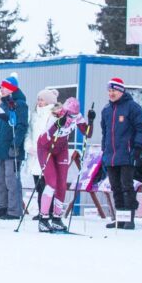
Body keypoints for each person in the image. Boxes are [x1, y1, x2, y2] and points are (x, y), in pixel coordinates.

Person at [36, 97, 91, 232]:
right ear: (64, 110)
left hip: (61, 149)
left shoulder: (77, 116)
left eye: (74, 114)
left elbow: (87, 133)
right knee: (52, 182)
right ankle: (43, 219)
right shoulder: (56, 115)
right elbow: (49, 134)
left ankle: (56, 218)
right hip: (46, 147)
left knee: (61, 183)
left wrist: (91, 121)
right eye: (69, 114)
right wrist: (57, 124)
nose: (71, 117)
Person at [99, 77, 142, 230]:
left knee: (127, 186)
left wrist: (138, 147)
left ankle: (129, 219)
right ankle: (119, 218)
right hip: (111, 155)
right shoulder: (106, 110)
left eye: (114, 90)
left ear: (121, 91)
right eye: (109, 90)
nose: (111, 93)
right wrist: (104, 150)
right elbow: (105, 132)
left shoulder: (132, 107)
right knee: (115, 187)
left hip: (127, 154)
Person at [0, 74, 29, 220]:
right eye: (2, 87)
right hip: (1, 147)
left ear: (12, 89)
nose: (3, 89)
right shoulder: (3, 105)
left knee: (11, 179)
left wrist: (16, 144)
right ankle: (2, 206)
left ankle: (14, 210)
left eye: (6, 87)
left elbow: (21, 126)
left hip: (12, 148)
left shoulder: (20, 104)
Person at [26, 88, 58, 221]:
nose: (39, 102)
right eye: (38, 99)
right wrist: (29, 146)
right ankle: (41, 210)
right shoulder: (34, 114)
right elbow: (29, 132)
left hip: (46, 153)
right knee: (38, 185)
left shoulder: (52, 114)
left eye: (42, 99)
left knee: (47, 184)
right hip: (35, 155)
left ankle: (48, 210)